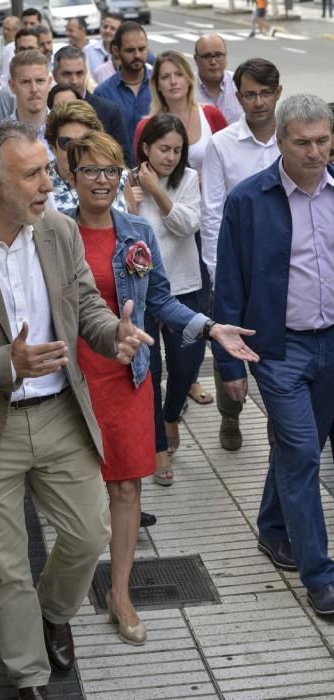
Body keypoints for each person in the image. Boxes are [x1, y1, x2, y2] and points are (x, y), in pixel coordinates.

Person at [0, 119, 155, 697]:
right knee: (4, 567)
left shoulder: (59, 231)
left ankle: (51, 612)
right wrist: (5, 363)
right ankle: (29, 676)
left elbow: (85, 305)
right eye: (35, 174)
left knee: (88, 534)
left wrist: (109, 335)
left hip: (59, 413)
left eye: (47, 169)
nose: (50, 182)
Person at [64, 130, 259, 644]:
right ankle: (58, 596)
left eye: (111, 170)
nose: (102, 180)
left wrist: (209, 326)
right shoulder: (53, 235)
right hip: (72, 383)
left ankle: (120, 592)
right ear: (71, 176)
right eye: (90, 171)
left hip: (129, 376)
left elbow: (162, 302)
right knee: (78, 496)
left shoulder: (137, 233)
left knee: (127, 487)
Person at [213, 94, 334, 618]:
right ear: (280, 141)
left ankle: (271, 527)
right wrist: (228, 363)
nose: (314, 152)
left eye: (323, 141)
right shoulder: (248, 200)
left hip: (332, 344)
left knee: (297, 448)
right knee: (305, 453)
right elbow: (230, 283)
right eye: (302, 142)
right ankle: (320, 575)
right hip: (279, 351)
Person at [201, 58, 281, 451]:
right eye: (250, 94)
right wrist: (219, 274)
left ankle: (276, 427)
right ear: (239, 97)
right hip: (237, 268)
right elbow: (212, 211)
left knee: (276, 352)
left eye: (265, 93)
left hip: (281, 272)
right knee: (228, 345)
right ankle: (229, 415)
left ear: (278, 93)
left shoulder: (292, 138)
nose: (258, 102)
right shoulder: (222, 144)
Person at [132, 113, 202, 485]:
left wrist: (157, 192)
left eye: (177, 150)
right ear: (146, 148)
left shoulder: (188, 180)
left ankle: (171, 414)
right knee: (150, 373)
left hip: (184, 286)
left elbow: (188, 224)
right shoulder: (128, 180)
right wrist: (133, 199)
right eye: (163, 149)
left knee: (186, 365)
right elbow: (125, 232)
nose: (171, 156)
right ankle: (158, 450)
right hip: (142, 295)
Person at [44, 101, 135, 216]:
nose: (75, 150)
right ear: (52, 147)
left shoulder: (117, 176)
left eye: (84, 142)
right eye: (66, 143)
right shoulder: (43, 186)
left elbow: (133, 226)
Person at [53, 46, 132, 166]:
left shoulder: (108, 111)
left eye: (79, 73)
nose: (74, 81)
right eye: (67, 74)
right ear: (54, 75)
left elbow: (124, 159)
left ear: (86, 72)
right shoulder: (45, 110)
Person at [94, 21, 152, 154]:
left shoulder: (160, 86)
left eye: (142, 49)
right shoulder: (103, 93)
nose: (137, 55)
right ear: (116, 50)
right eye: (130, 50)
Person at [8, 50, 52, 159]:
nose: (34, 89)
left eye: (40, 81)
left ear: (49, 83)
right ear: (12, 86)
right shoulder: (0, 137)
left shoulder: (66, 130)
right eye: (26, 82)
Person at [194, 35, 243, 126]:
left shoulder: (240, 83)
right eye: (207, 56)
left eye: (218, 55)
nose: (213, 62)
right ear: (196, 60)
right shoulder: (185, 88)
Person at [0, 28, 45, 119]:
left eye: (31, 48)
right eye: (22, 49)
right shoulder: (6, 93)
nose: (26, 53)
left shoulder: (53, 85)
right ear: (15, 52)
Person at [0, 8, 43, 88]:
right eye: (25, 23)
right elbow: (5, 78)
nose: (28, 26)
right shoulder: (9, 49)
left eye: (32, 23)